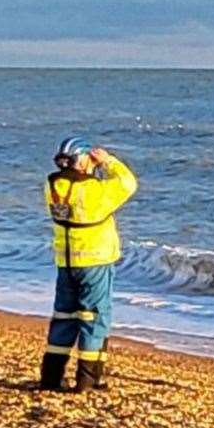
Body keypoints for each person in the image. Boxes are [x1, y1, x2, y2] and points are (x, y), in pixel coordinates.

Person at [38, 137, 138, 392]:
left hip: (66, 261)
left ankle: (51, 376)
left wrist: (89, 166)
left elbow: (74, 183)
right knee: (95, 318)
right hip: (95, 262)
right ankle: (88, 379)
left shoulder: (53, 186)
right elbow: (128, 183)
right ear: (81, 159)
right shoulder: (93, 190)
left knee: (64, 317)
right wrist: (108, 162)